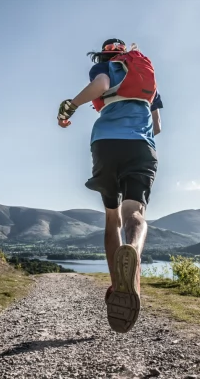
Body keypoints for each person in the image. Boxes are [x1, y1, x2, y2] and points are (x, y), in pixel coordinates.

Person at [56, 38, 163, 333]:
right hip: (141, 146)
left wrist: (70, 106)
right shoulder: (147, 80)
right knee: (135, 215)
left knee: (112, 218)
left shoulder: (106, 67)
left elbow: (102, 84)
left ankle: (119, 284)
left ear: (104, 54)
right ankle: (133, 253)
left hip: (105, 143)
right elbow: (157, 126)